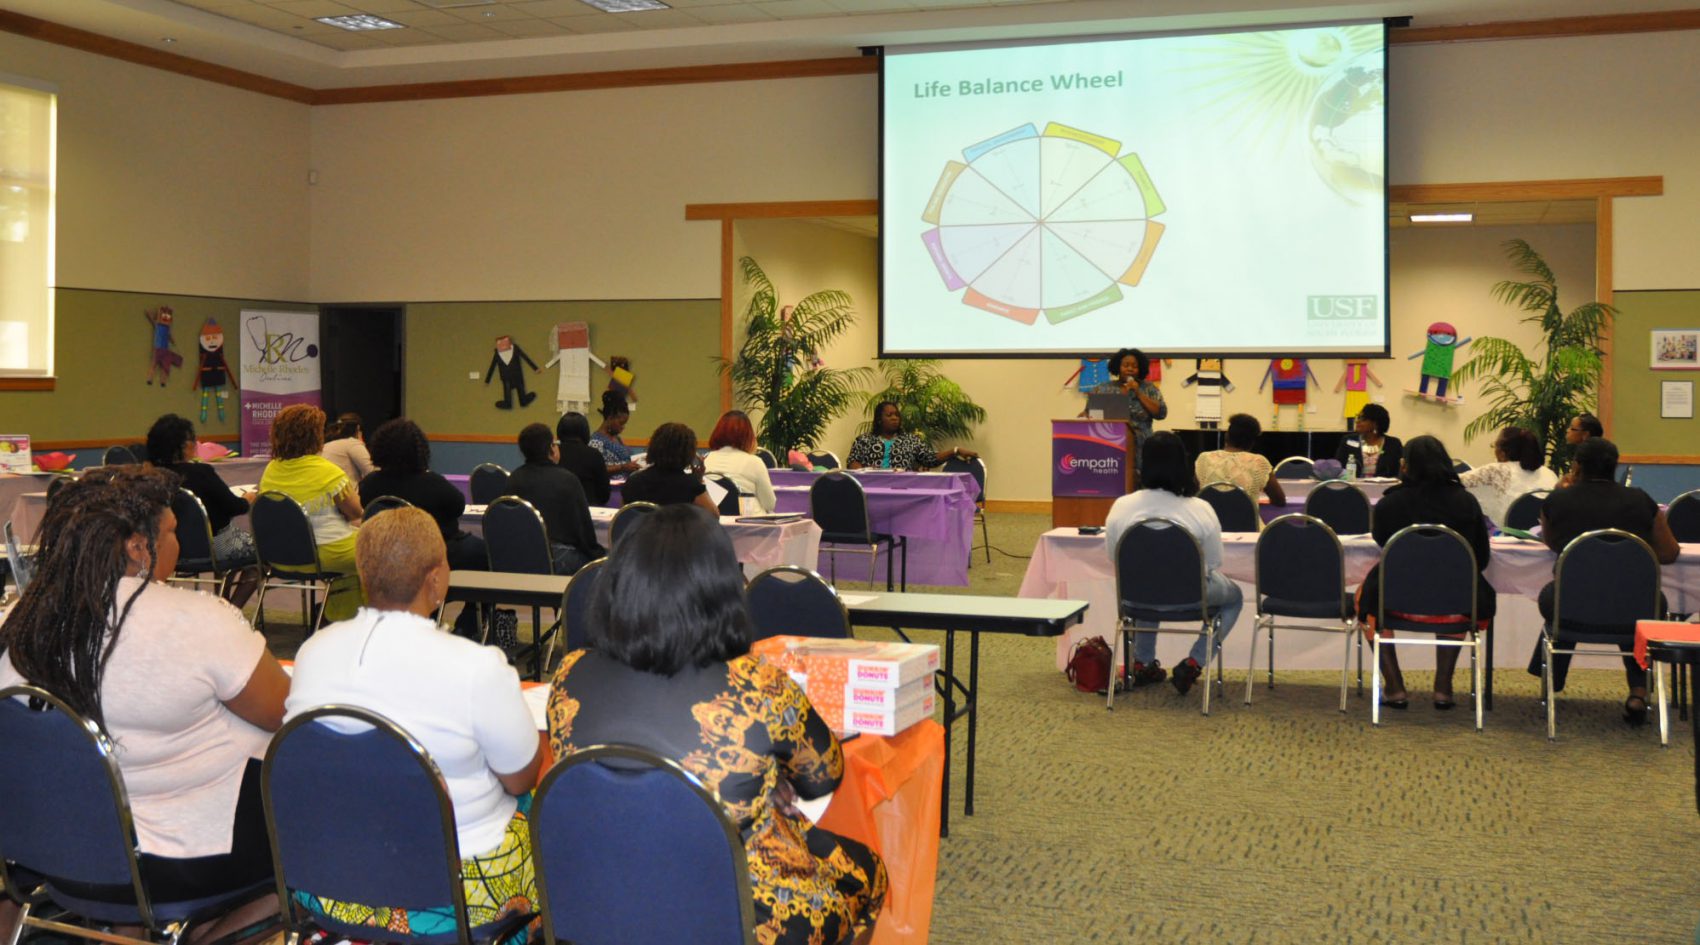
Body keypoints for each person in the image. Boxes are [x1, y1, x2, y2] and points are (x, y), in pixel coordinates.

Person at [547, 505, 886, 945]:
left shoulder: (569, 674)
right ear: (723, 592)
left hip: (597, 902)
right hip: (733, 916)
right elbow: (822, 777)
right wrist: (763, 780)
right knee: (868, 874)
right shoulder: (756, 685)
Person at [0, 467, 289, 939]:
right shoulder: (198, 619)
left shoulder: (24, 622)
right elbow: (284, 714)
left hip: (55, 850)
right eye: (172, 531)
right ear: (138, 547)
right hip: (180, 862)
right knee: (318, 832)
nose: (179, 542)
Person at [284, 507, 543, 941]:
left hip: (331, 881)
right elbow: (521, 779)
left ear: (363, 575)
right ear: (436, 579)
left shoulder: (312, 654)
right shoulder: (477, 666)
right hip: (454, 894)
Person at [1527, 437, 1680, 725]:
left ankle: (1551, 680)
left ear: (1577, 466)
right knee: (1636, 604)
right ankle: (1638, 691)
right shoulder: (1641, 500)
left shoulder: (1557, 501)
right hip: (1633, 605)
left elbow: (1553, 543)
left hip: (1572, 605)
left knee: (1559, 598)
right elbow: (1670, 553)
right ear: (1614, 466)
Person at [1356, 435, 1495, 711]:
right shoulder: (1466, 502)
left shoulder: (1390, 504)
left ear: (1405, 466)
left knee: (1364, 599)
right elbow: (1481, 557)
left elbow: (1384, 543)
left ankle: (1394, 685)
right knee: (1461, 592)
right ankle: (1443, 686)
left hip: (1395, 601)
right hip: (1456, 603)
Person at [1103, 431, 1243, 695]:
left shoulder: (1121, 506)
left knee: (1147, 580)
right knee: (1234, 598)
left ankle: (1142, 663)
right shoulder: (1200, 508)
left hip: (1136, 597)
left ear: (1143, 464)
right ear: (1183, 464)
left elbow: (1114, 557)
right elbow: (1214, 562)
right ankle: (1194, 662)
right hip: (1191, 597)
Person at [359, 418, 488, 636]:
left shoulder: (370, 484)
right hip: (433, 553)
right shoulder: (432, 483)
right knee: (483, 554)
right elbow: (457, 506)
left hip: (385, 556)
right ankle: (469, 623)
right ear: (420, 451)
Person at [258, 403, 364, 621]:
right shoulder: (328, 471)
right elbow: (356, 512)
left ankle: (337, 615)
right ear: (315, 436)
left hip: (280, 555)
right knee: (379, 552)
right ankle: (351, 619)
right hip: (327, 553)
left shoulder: (270, 470)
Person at [143, 412, 259, 606]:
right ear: (184, 446)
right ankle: (230, 610)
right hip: (214, 545)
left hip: (165, 548)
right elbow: (234, 507)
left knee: (233, 553)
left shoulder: (149, 476)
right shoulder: (201, 473)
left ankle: (223, 604)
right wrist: (247, 499)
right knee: (259, 557)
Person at [506, 422, 604, 575]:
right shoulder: (567, 479)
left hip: (520, 553)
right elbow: (583, 529)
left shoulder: (513, 479)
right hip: (559, 556)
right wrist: (597, 554)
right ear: (550, 448)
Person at [1459, 425, 1558, 526]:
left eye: (1494, 446)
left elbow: (1455, 481)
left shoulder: (1497, 470)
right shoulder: (1549, 473)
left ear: (1502, 453)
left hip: (1510, 532)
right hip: (1547, 532)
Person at [1089, 348, 1166, 471]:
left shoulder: (1149, 388)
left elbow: (1160, 413)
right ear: (1118, 367)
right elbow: (1090, 414)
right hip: (1110, 447)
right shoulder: (1103, 388)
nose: (1130, 369)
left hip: (1143, 448)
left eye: (1134, 366)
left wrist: (1138, 392)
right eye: (1126, 365)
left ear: (1140, 369)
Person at [846, 401, 976, 471]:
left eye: (897, 415)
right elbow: (853, 462)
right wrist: (863, 472)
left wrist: (955, 450)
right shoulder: (864, 440)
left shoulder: (910, 440)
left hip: (902, 488)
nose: (895, 418)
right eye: (889, 415)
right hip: (871, 487)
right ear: (879, 420)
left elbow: (930, 458)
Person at [622, 422, 720, 514]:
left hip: (643, 527)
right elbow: (714, 515)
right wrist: (699, 481)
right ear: (688, 453)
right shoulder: (690, 485)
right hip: (675, 527)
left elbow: (623, 515)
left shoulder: (633, 481)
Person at [1193, 413, 1286, 509]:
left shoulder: (1204, 458)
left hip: (1208, 518)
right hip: (1247, 519)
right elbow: (1280, 501)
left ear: (1226, 436)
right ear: (1252, 442)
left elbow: (1195, 494)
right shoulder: (1259, 462)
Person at [703, 409, 777, 512]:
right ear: (748, 435)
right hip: (747, 519)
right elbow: (769, 504)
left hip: (713, 518)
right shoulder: (754, 462)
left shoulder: (706, 460)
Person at [555, 411, 611, 506]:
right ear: (585, 432)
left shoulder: (553, 454)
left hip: (558, 507)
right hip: (588, 508)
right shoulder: (594, 455)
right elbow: (604, 493)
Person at [1334, 403, 1402, 478]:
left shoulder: (1393, 444)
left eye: (1363, 419)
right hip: (1353, 484)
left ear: (1375, 423)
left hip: (1383, 485)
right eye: (1358, 417)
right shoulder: (1349, 441)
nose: (1357, 421)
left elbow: (1397, 472)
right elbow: (1338, 467)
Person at [590, 391, 640, 476]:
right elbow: (596, 469)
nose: (623, 427)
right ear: (610, 418)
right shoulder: (596, 442)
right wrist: (622, 467)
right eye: (621, 423)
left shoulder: (617, 438)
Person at [320, 411, 374, 483]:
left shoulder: (325, 446)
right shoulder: (352, 443)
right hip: (347, 489)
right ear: (358, 428)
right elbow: (371, 472)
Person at [1556, 412, 1605, 487]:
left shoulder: (1590, 459)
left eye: (1572, 428)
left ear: (1585, 434)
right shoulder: (1579, 453)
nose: (1567, 430)